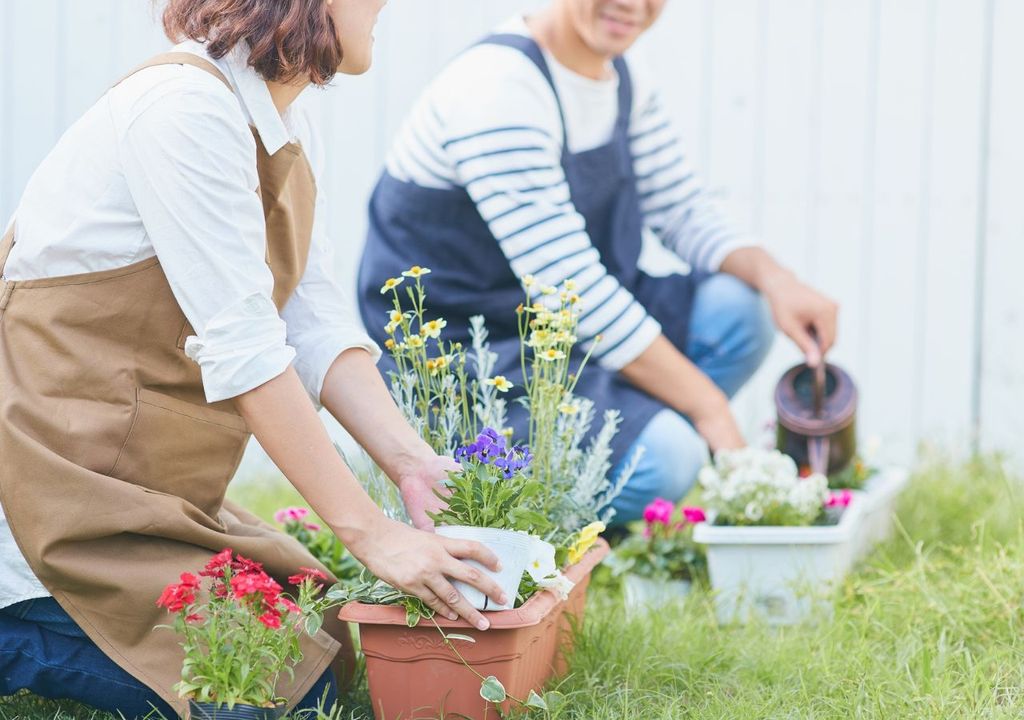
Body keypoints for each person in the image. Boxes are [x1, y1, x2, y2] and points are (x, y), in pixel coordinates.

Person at [0, 1, 507, 717]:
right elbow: (249, 351)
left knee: (329, 635)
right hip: (47, 501)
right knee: (275, 690)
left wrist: (411, 463)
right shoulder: (181, 112)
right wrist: (371, 534)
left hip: (137, 491)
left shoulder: (278, 118)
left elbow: (312, 317)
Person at [358, 0, 838, 524]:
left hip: (564, 332)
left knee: (740, 310)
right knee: (667, 459)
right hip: (474, 357)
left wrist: (778, 281)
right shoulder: (497, 89)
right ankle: (537, 527)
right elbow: (572, 289)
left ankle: (624, 459)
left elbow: (681, 210)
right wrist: (711, 412)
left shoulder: (621, 78)